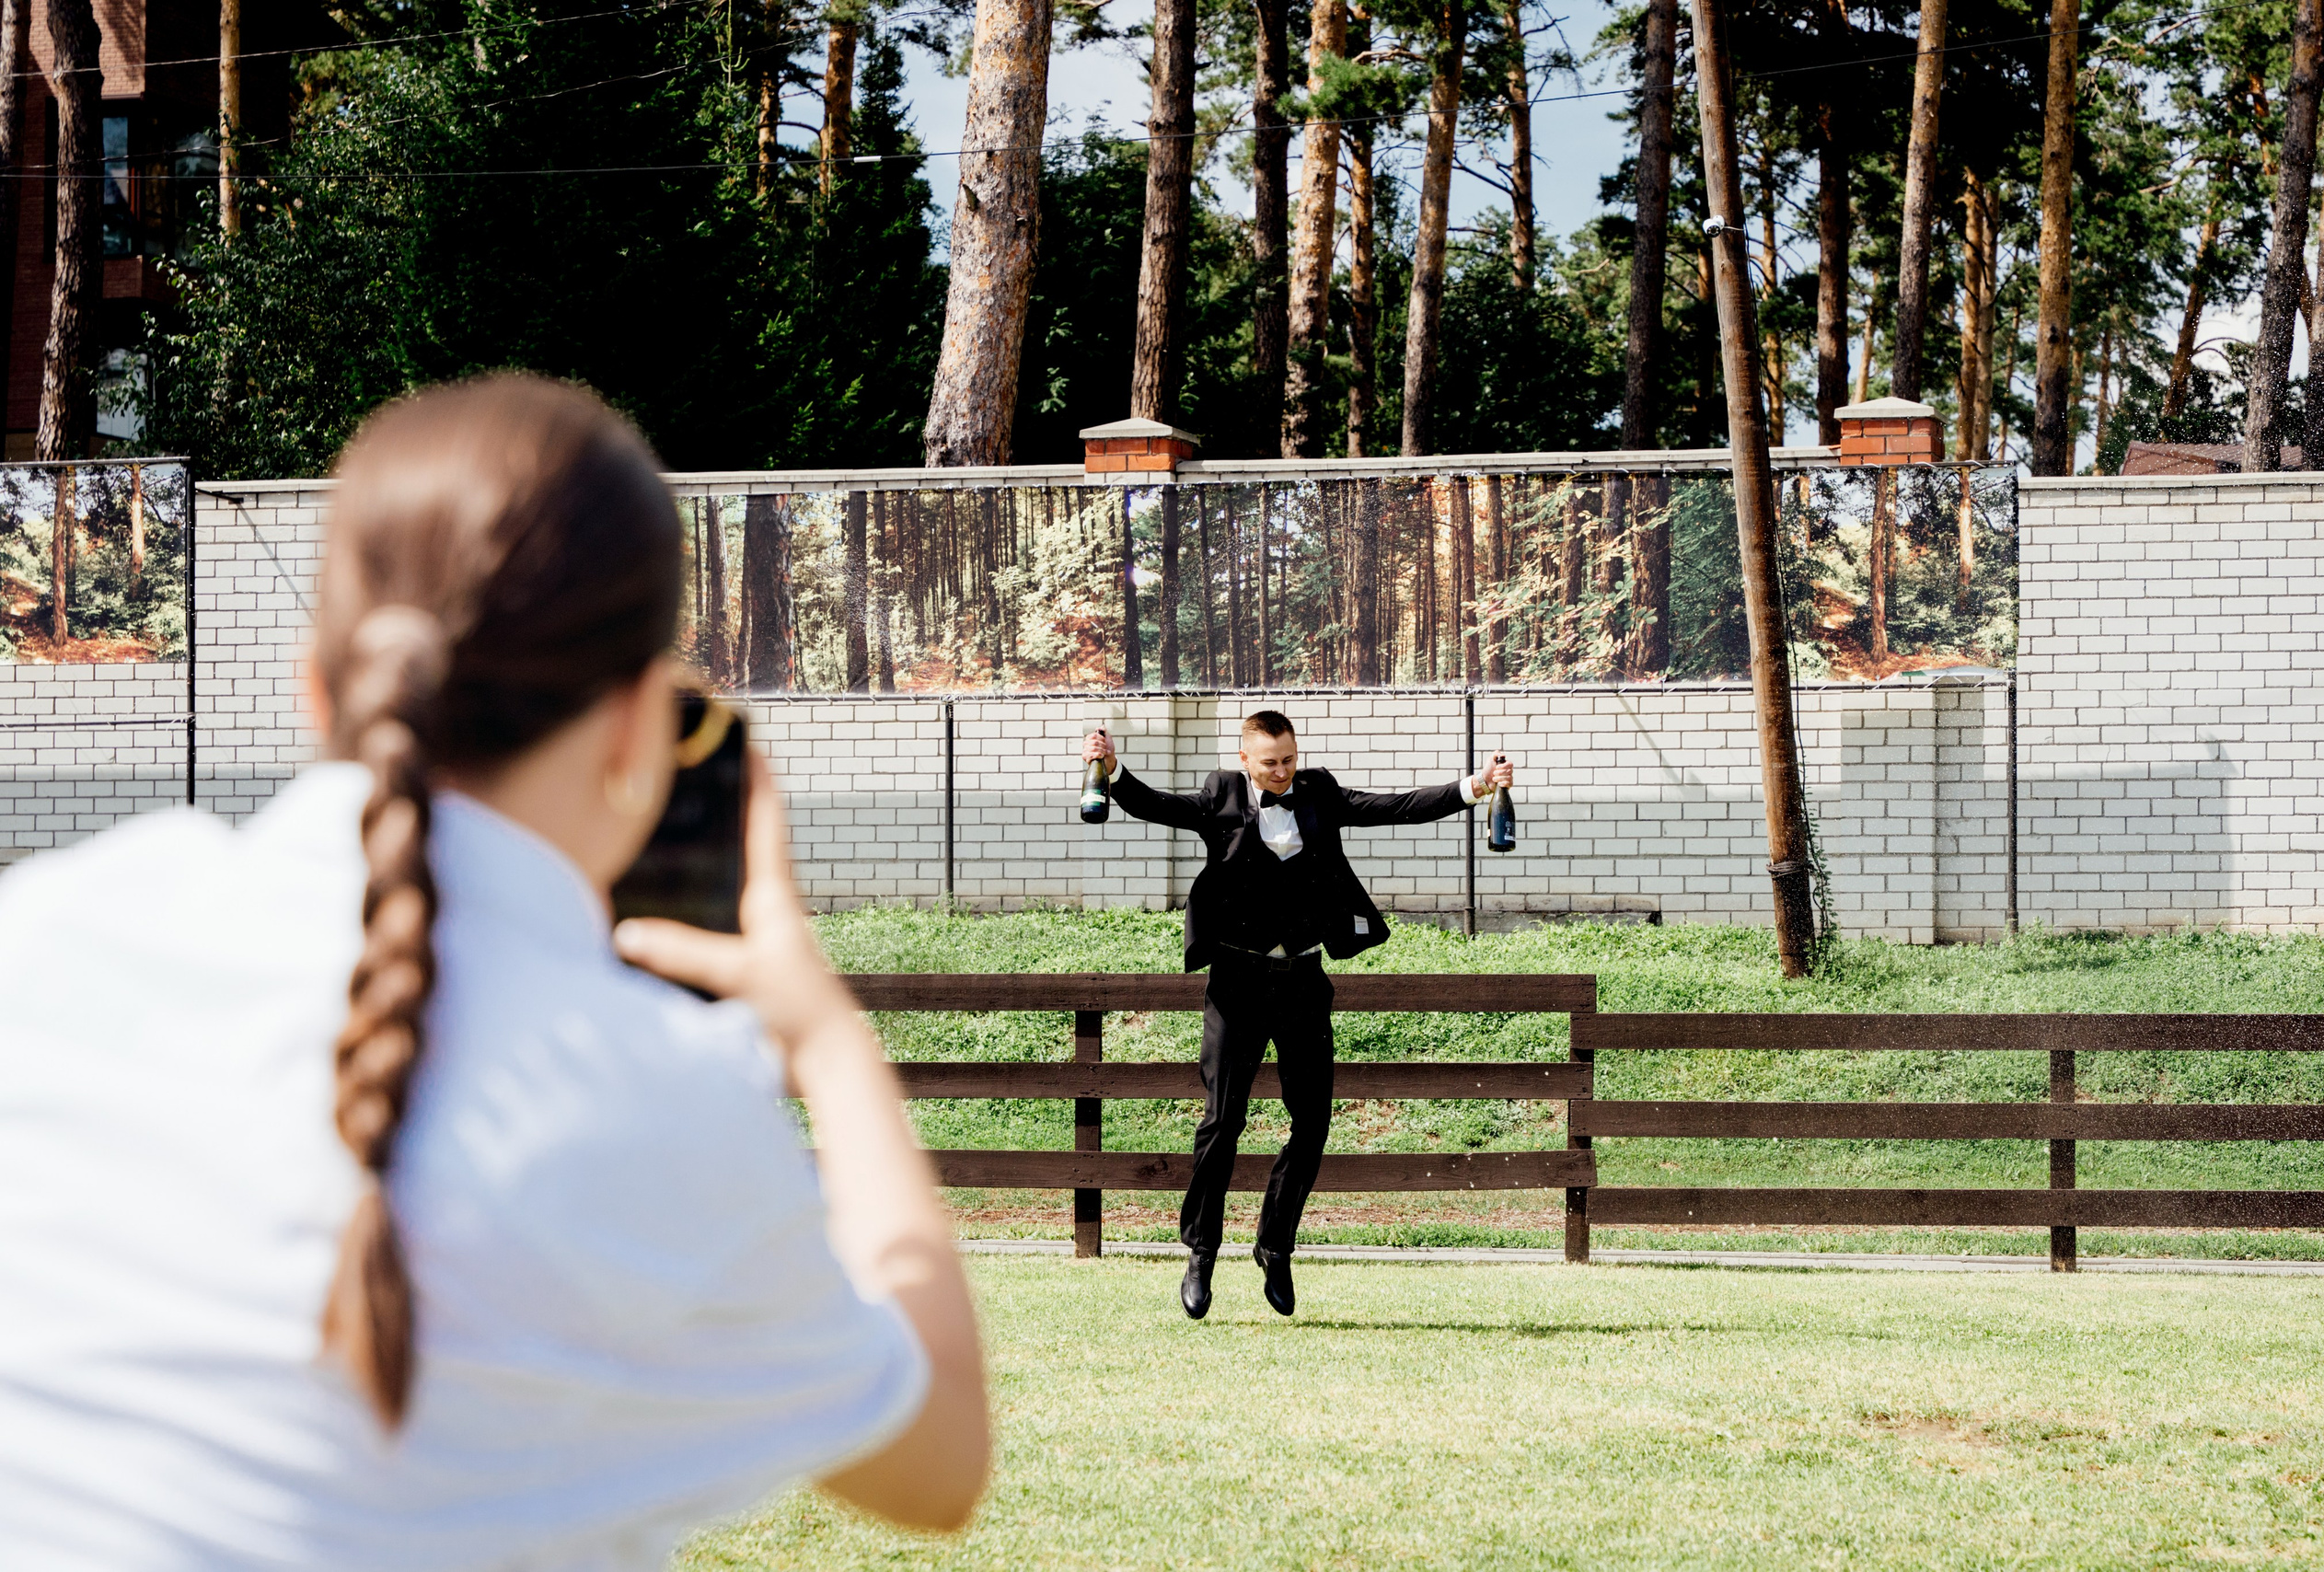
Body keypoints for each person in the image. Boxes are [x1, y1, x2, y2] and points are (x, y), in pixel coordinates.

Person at [0, 376, 989, 1569]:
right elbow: (935, 1457)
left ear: (320, 688)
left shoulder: (42, 936)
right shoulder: (667, 1100)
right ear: (638, 730)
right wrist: (828, 1041)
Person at [1081, 711, 1514, 1320]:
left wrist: (1475, 786)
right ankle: (1202, 1252)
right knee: (1221, 1123)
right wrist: (1111, 766)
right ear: (1244, 760)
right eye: (1269, 762)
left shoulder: (1320, 793)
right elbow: (1158, 806)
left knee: (1312, 1126)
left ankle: (1275, 1246)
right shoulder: (1220, 796)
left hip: (1304, 981)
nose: (1281, 771)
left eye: (1288, 759)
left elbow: (1394, 807)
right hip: (1237, 982)